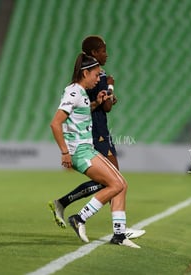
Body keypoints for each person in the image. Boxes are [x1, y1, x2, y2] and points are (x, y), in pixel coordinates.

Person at [48, 36, 144, 239]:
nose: (97, 78)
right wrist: (109, 88)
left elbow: (83, 110)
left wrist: (96, 102)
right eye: (96, 75)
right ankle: (81, 218)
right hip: (86, 146)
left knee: (118, 183)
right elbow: (56, 123)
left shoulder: (82, 92)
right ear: (88, 70)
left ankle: (117, 233)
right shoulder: (77, 91)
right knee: (115, 184)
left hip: (88, 146)